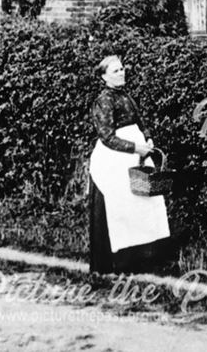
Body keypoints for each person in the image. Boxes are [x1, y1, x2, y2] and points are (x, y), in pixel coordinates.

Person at [88, 54, 171, 274]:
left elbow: (140, 120)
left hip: (138, 154)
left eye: (122, 68)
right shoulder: (104, 100)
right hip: (114, 159)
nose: (122, 72)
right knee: (121, 207)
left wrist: (147, 136)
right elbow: (106, 136)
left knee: (145, 204)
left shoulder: (126, 97)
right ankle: (115, 263)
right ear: (104, 76)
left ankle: (144, 260)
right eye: (115, 70)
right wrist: (135, 148)